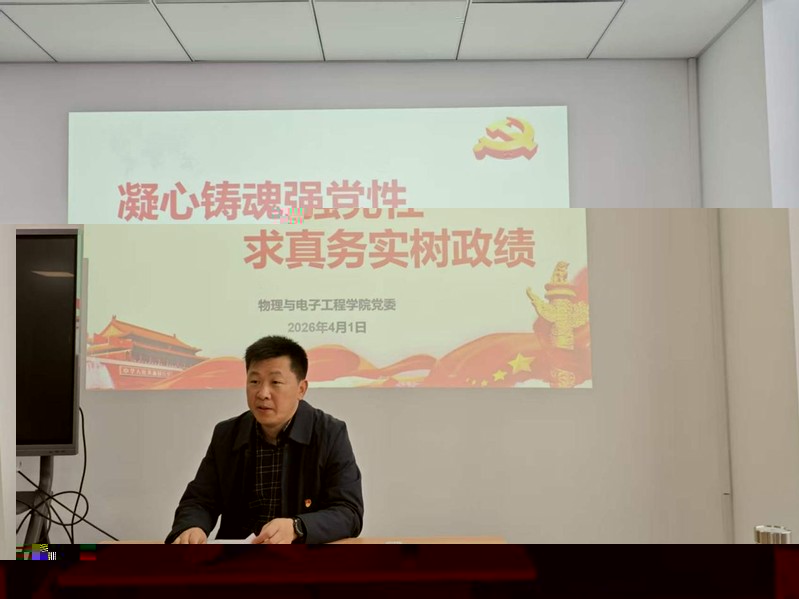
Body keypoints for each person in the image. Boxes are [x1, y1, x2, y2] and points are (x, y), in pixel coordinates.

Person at [165, 336, 364, 544]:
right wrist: (191, 527)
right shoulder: (227, 434)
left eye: (275, 382)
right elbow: (199, 500)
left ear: (301, 389)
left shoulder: (329, 433)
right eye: (254, 382)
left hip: (299, 556)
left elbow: (348, 512)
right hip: (238, 556)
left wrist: (297, 527)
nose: (262, 393)